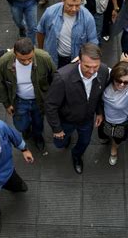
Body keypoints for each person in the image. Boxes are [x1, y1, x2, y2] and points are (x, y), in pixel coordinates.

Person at [44, 43, 109, 174]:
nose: (91, 71)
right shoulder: (62, 78)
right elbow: (50, 105)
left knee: (85, 142)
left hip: (87, 119)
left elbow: (98, 94)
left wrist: (99, 112)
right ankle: (66, 139)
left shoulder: (103, 71)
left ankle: (77, 156)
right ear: (79, 60)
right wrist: (57, 129)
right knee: (59, 144)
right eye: (87, 66)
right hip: (66, 120)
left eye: (95, 66)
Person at [0, 38, 56, 152]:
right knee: (21, 125)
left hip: (39, 100)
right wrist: (7, 104)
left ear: (34, 51)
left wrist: (52, 100)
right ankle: (26, 130)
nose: (27, 62)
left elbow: (54, 78)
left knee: (38, 122)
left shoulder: (44, 58)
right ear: (14, 53)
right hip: (19, 101)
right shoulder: (4, 62)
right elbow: (0, 85)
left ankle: (38, 138)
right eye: (22, 60)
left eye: (30, 58)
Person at [37, 0, 98, 68]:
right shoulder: (50, 13)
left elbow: (93, 42)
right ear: (63, 0)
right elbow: (41, 31)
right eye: (70, 5)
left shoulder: (88, 18)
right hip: (53, 57)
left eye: (77, 5)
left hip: (75, 61)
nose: (74, 9)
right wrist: (41, 51)